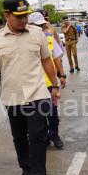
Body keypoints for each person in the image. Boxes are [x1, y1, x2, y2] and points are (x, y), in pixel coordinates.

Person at [0, 0, 60, 175]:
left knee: (38, 135)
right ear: (7, 16)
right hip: (12, 97)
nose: (24, 20)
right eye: (19, 17)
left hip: (37, 93)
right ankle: (26, 169)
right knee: (19, 136)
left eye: (25, 16)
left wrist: (55, 86)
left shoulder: (37, 34)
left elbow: (46, 60)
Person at [28, 11, 67, 149]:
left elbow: (57, 58)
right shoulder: (24, 41)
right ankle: (43, 137)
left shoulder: (49, 38)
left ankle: (54, 135)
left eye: (41, 25)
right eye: (36, 26)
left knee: (52, 113)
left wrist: (62, 75)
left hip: (50, 83)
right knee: (37, 115)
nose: (40, 28)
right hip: (33, 84)